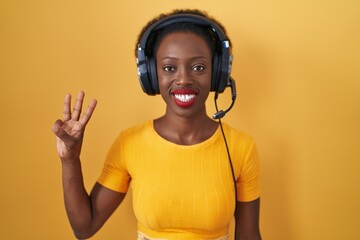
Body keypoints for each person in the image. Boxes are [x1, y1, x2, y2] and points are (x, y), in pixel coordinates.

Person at [52, 9, 261, 240]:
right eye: (169, 68)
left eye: (199, 67)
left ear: (218, 72)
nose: (183, 79)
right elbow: (84, 227)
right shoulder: (129, 143)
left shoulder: (241, 146)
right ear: (150, 74)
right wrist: (69, 159)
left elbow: (249, 235)